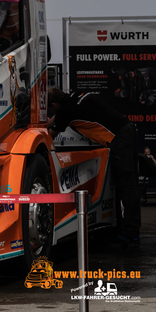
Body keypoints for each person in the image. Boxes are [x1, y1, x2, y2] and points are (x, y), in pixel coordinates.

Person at [47, 88, 141, 246]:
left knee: (127, 187)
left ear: (56, 104)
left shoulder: (67, 109)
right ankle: (122, 230)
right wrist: (44, 123)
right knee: (125, 186)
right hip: (126, 131)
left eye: (51, 108)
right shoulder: (75, 96)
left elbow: (50, 135)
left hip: (120, 139)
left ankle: (130, 234)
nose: (52, 111)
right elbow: (54, 119)